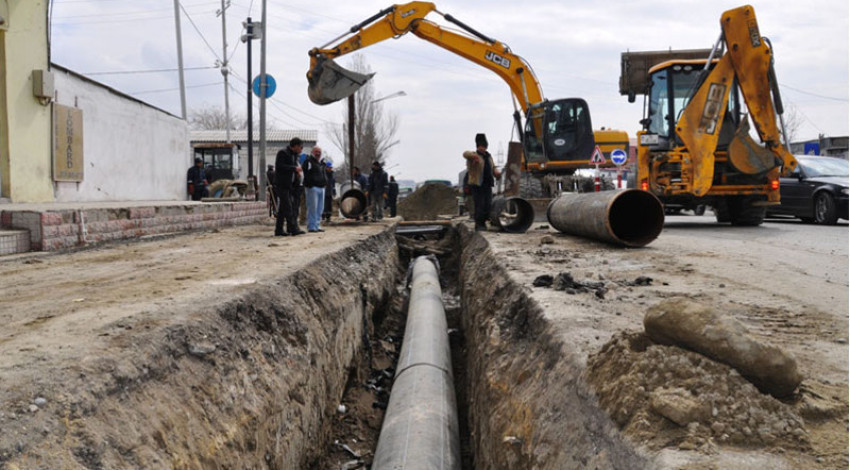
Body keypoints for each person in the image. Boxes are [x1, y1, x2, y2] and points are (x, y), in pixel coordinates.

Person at [462, 133, 501, 231]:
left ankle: (486, 221)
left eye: (484, 146)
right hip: (477, 184)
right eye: (480, 147)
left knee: (488, 204)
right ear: (477, 147)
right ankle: (479, 224)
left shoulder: (488, 156)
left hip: (487, 184)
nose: (482, 148)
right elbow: (465, 153)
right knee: (480, 205)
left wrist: (496, 172)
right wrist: (474, 157)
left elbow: (492, 166)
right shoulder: (473, 156)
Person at [274, 137, 305, 236]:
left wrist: (296, 174)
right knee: (288, 207)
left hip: (290, 185)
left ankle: (279, 230)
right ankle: (293, 228)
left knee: (283, 209)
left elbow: (293, 169)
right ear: (295, 146)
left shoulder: (294, 155)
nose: (301, 149)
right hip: (281, 184)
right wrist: (294, 168)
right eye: (300, 147)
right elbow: (280, 166)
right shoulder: (283, 153)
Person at [302, 146, 327, 233]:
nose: (318, 153)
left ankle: (317, 225)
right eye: (316, 151)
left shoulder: (321, 163)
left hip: (321, 187)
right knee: (312, 208)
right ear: (312, 152)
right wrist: (310, 184)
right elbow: (305, 172)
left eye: (319, 151)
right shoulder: (308, 161)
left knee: (320, 208)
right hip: (312, 188)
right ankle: (311, 226)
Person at [322, 159, 336, 223]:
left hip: (330, 191)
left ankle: (328, 217)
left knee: (329, 205)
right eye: (329, 167)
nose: (330, 169)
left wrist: (334, 191)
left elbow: (333, 183)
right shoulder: (323, 174)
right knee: (324, 204)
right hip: (324, 192)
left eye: (331, 167)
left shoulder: (332, 174)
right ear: (326, 167)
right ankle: (323, 216)